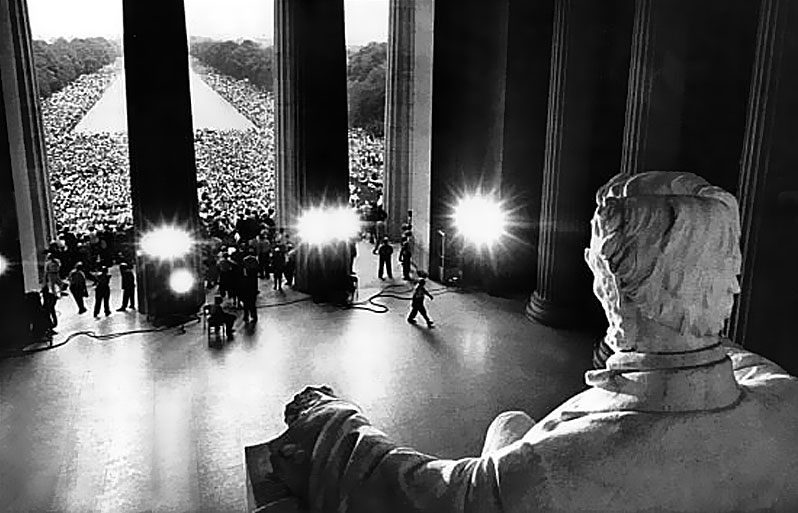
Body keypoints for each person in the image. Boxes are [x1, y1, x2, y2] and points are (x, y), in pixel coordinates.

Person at [265, 172, 798, 513]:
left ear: (605, 278)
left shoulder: (557, 472)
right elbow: (736, 365)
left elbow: (414, 494)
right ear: (729, 278)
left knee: (509, 427)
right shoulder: (787, 405)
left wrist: (335, 423)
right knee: (511, 430)